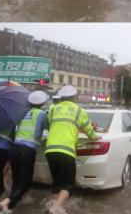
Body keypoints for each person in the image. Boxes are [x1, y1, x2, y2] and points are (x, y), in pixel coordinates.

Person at [45, 85, 99, 214]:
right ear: (73, 97)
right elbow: (88, 129)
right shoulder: (79, 111)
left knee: (57, 183)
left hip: (50, 150)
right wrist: (94, 136)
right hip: (66, 151)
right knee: (69, 185)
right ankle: (54, 210)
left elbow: (51, 125)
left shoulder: (53, 109)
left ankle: (52, 205)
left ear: (62, 97)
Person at [0, 91, 49, 212]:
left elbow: (17, 129)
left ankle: (12, 206)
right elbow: (47, 129)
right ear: (42, 103)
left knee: (16, 180)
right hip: (27, 150)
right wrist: (42, 139)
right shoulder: (42, 114)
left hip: (14, 148)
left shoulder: (22, 112)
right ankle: (8, 202)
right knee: (26, 182)